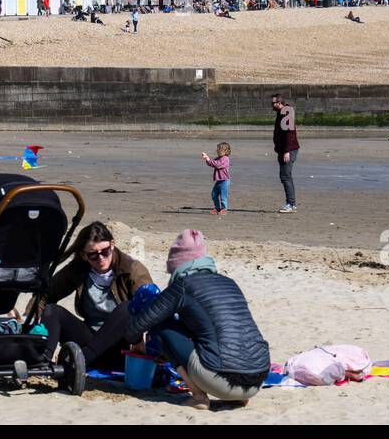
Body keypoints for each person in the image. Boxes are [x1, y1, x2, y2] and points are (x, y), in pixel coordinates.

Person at [124, 230, 270, 409]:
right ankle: (239, 398)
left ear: (176, 265)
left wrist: (138, 343)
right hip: (257, 379)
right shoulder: (229, 283)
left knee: (160, 327)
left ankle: (198, 396)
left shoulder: (182, 286)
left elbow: (139, 325)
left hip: (220, 379)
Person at [39, 221, 154, 371]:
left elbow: (151, 308)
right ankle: (41, 362)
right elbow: (46, 295)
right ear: (83, 255)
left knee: (128, 309)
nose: (100, 258)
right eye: (93, 255)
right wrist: (32, 321)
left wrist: (140, 340)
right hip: (88, 340)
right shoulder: (78, 269)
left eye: (105, 251)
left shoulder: (132, 269)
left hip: (121, 349)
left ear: (112, 244)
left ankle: (82, 360)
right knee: (52, 310)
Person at [272, 93, 299, 213]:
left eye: (273, 103)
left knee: (286, 177)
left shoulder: (286, 112)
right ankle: (291, 204)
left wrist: (286, 151)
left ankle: (291, 204)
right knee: (285, 177)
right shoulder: (282, 112)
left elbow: (289, 133)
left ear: (279, 103)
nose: (272, 105)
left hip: (288, 150)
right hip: (284, 150)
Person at [201, 143, 232, 215]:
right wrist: (207, 158)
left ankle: (224, 209)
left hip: (224, 181)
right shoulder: (219, 158)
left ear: (225, 151)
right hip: (219, 181)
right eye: (217, 149)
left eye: (218, 149)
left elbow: (217, 165)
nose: (217, 150)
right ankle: (217, 208)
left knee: (223, 196)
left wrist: (208, 158)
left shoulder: (225, 159)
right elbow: (212, 163)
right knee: (214, 194)